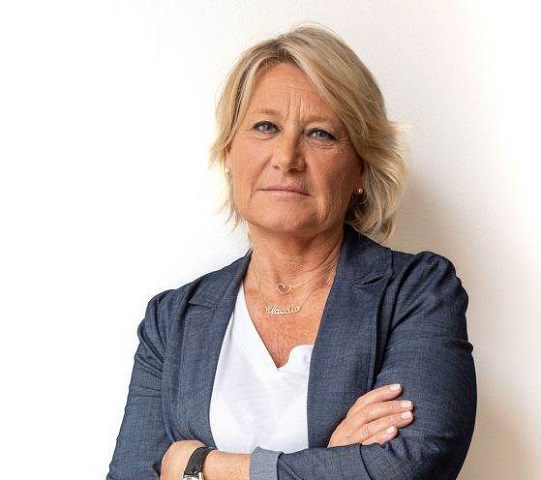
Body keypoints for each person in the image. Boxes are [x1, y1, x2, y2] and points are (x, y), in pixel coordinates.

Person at [107, 25, 476, 480]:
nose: (287, 157)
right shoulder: (173, 320)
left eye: (320, 134)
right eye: (266, 127)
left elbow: (408, 467)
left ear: (361, 168)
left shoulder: (416, 293)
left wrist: (199, 466)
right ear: (229, 152)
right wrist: (332, 460)